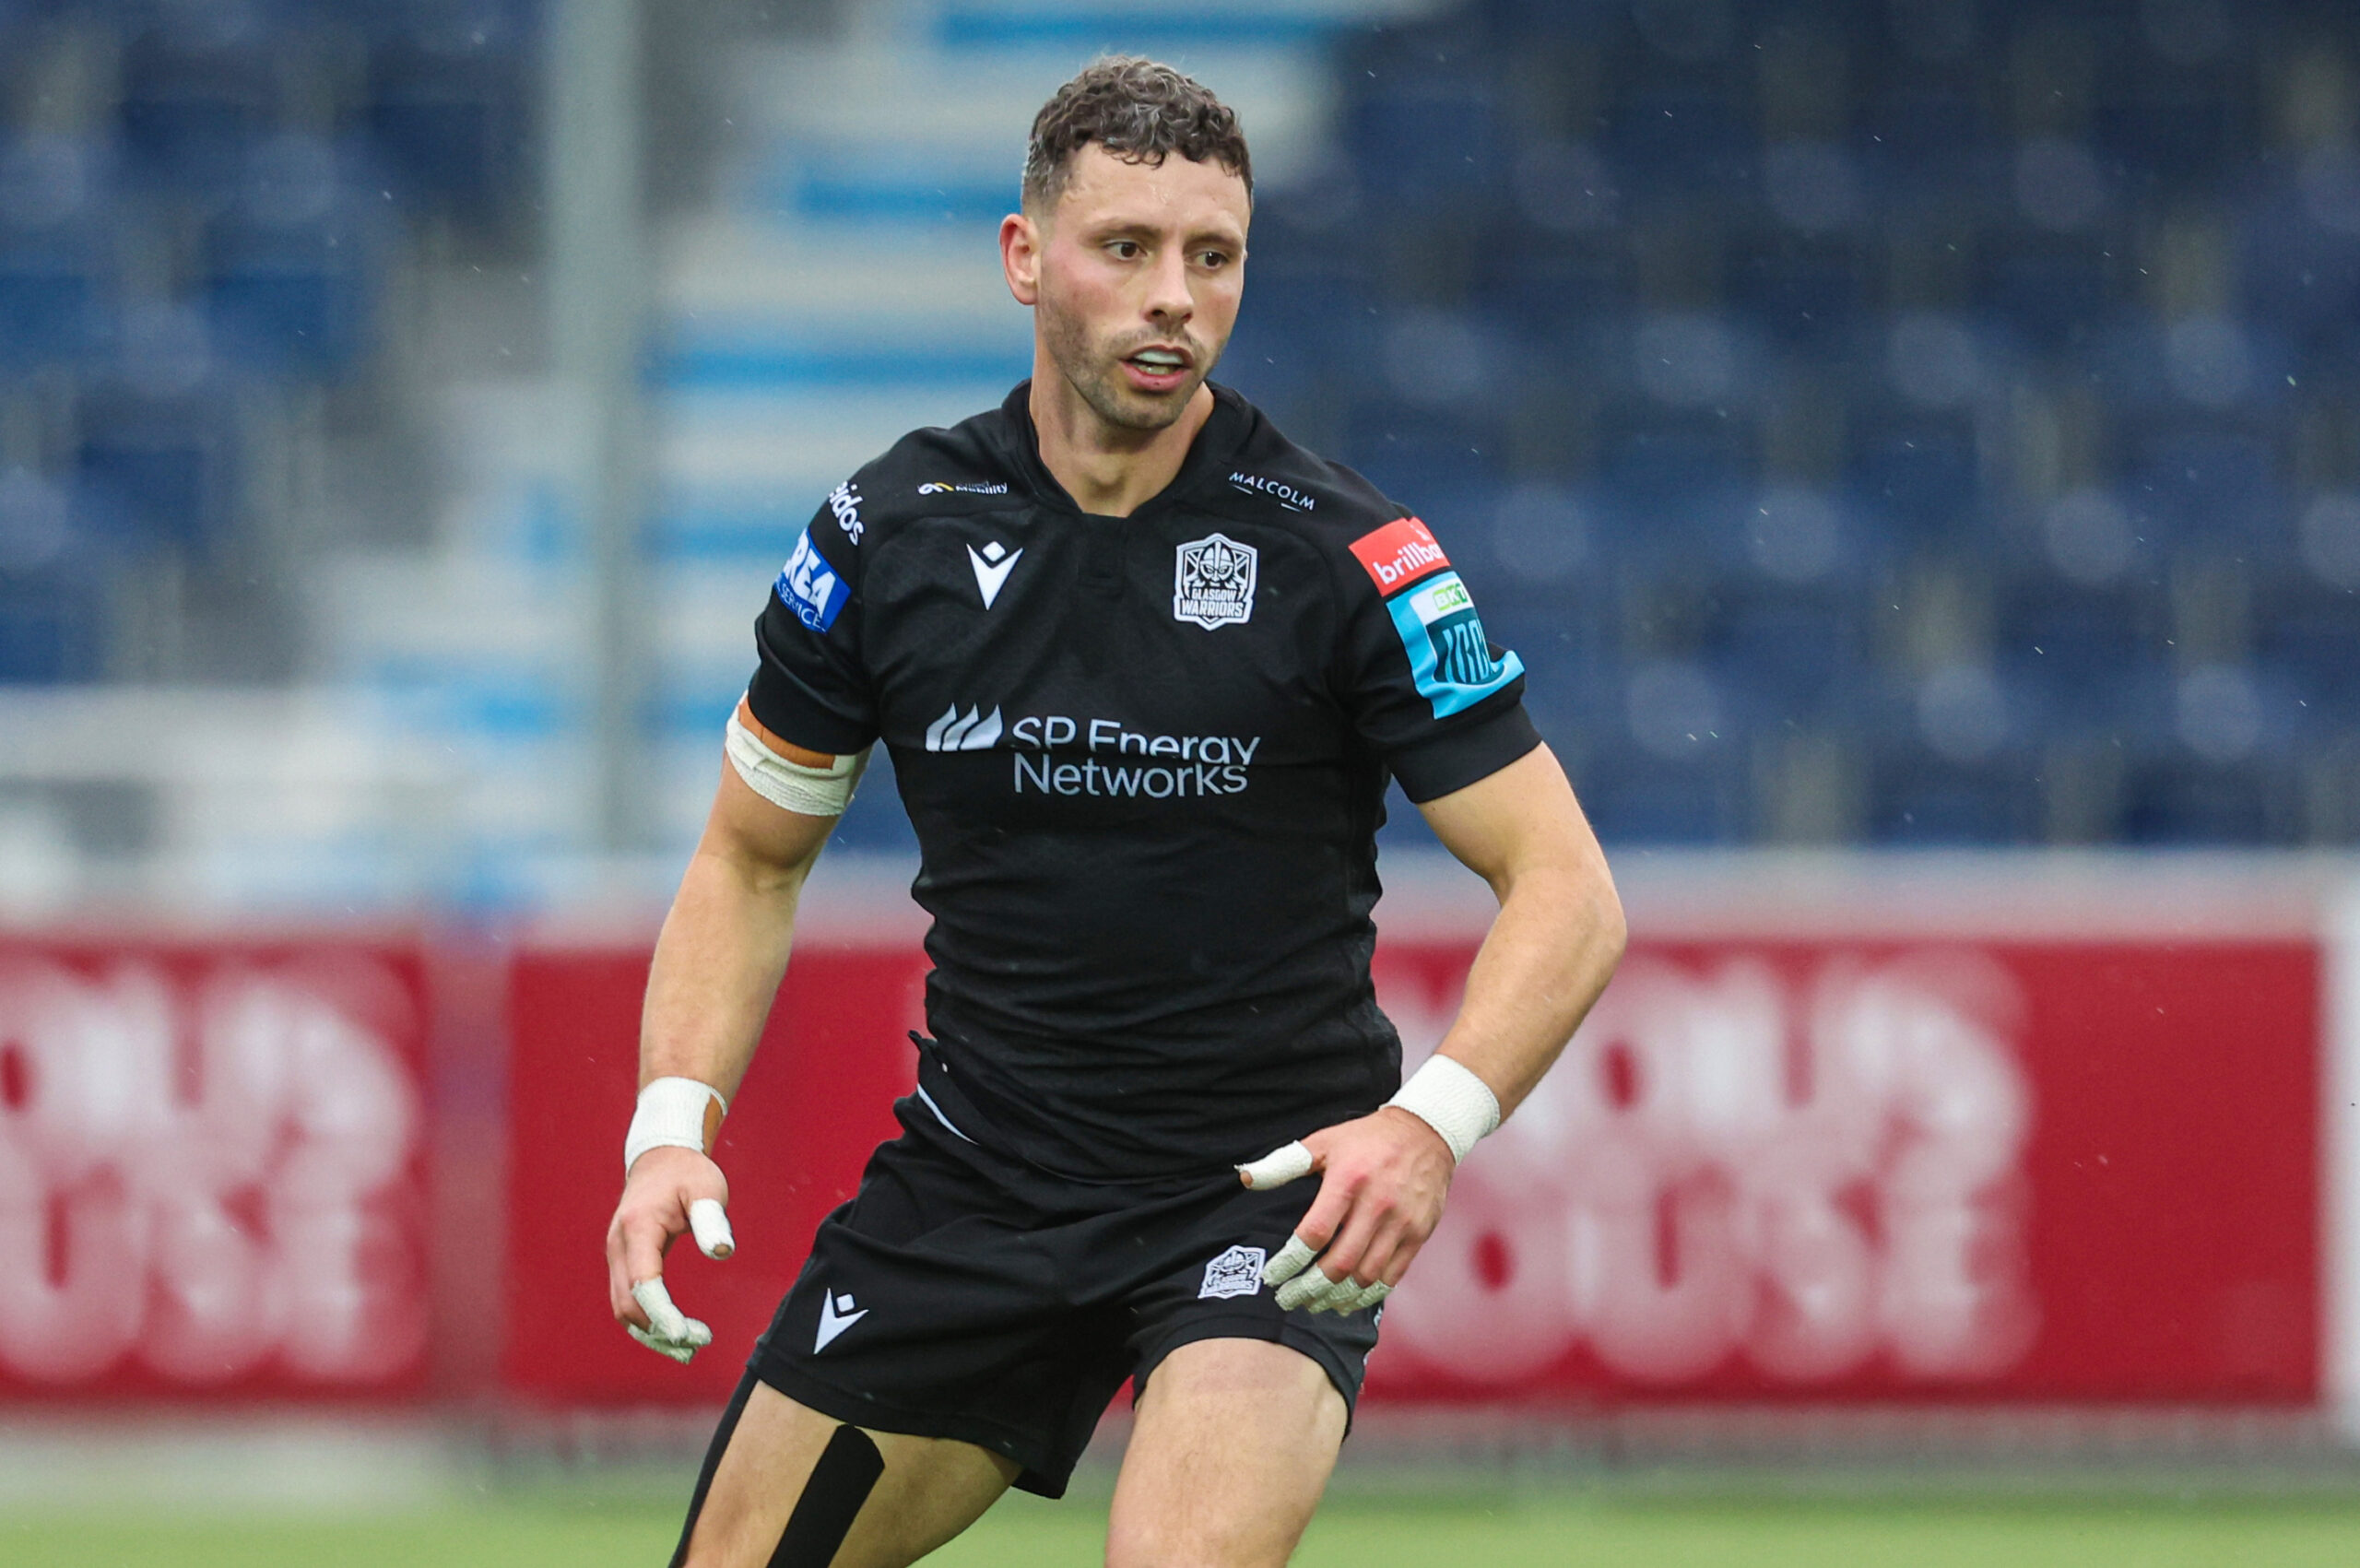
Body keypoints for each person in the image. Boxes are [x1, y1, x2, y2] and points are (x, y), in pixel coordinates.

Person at [603, 55, 1626, 1568]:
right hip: (977, 1185)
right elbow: (749, 862)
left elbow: (1567, 888)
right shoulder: (890, 534)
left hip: (1257, 1204)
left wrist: (1430, 1125)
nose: (1174, 299)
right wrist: (669, 1129)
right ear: (1026, 257)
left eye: (1213, 257)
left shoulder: (1351, 555)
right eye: (1127, 248)